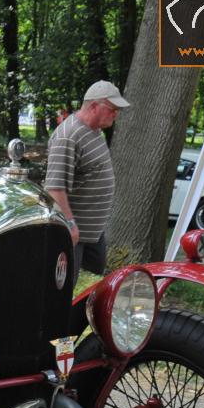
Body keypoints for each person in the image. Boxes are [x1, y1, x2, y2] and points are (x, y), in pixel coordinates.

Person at [44, 80, 129, 276]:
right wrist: (70, 225)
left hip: (93, 233)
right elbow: (55, 188)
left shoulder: (94, 131)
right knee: (65, 291)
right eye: (112, 109)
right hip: (73, 234)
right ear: (93, 106)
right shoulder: (68, 136)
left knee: (92, 287)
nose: (116, 114)